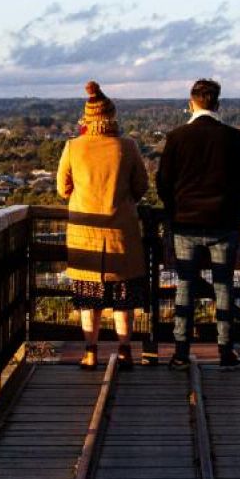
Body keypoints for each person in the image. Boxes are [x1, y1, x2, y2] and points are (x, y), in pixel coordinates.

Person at [156, 78, 240, 370]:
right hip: (223, 223)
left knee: (184, 287)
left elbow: (163, 183)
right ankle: (225, 351)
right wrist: (231, 207)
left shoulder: (176, 137)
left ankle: (180, 353)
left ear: (192, 103)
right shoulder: (233, 138)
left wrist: (174, 209)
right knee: (224, 287)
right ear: (217, 103)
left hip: (185, 223)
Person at [57, 81, 149, 370]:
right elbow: (141, 187)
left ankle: (90, 351)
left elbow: (62, 188)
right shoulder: (128, 146)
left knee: (89, 299)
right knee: (124, 300)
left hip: (85, 237)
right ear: (112, 118)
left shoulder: (73, 147)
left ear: (87, 118)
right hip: (122, 233)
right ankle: (124, 351)